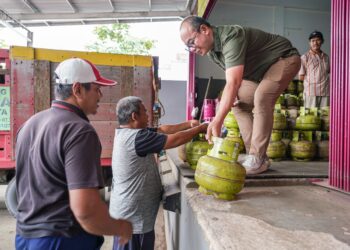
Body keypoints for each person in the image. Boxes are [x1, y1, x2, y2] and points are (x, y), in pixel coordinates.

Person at [15, 58, 132, 250]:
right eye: (96, 88)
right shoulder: (79, 131)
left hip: (25, 236)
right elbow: (86, 211)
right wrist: (121, 226)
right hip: (63, 239)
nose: (100, 95)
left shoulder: (30, 124)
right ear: (78, 89)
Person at [180, 16, 301, 175]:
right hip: (259, 73)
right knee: (238, 105)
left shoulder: (231, 36)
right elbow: (232, 77)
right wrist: (232, 97)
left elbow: (233, 83)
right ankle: (257, 157)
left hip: (284, 59)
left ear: (204, 30)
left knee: (262, 98)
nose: (192, 49)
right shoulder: (212, 52)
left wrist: (217, 120)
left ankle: (257, 157)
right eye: (188, 47)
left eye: (191, 42)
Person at [109, 96, 208, 250]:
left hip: (128, 216)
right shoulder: (137, 138)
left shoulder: (127, 132)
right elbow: (173, 140)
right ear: (134, 116)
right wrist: (201, 128)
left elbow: (162, 130)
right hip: (134, 222)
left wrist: (188, 124)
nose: (148, 115)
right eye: (145, 112)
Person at [299, 30, 330, 108]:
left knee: (324, 116)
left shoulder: (326, 57)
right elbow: (301, 77)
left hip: (325, 92)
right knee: (311, 116)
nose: (315, 43)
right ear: (310, 43)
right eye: (313, 41)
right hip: (311, 93)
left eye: (318, 40)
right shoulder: (304, 57)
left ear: (322, 41)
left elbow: (328, 72)